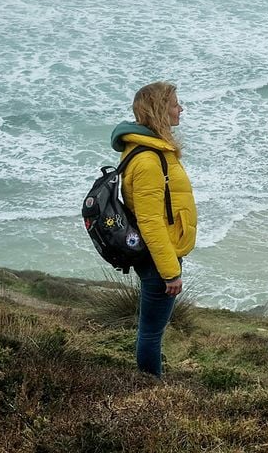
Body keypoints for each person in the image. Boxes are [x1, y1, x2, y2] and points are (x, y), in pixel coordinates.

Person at [109, 81, 197, 377]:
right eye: (174, 104)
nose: (180, 108)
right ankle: (150, 391)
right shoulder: (148, 159)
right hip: (159, 257)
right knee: (151, 332)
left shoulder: (152, 149)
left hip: (159, 253)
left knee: (152, 329)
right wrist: (170, 271)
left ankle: (150, 382)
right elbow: (150, 221)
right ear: (159, 110)